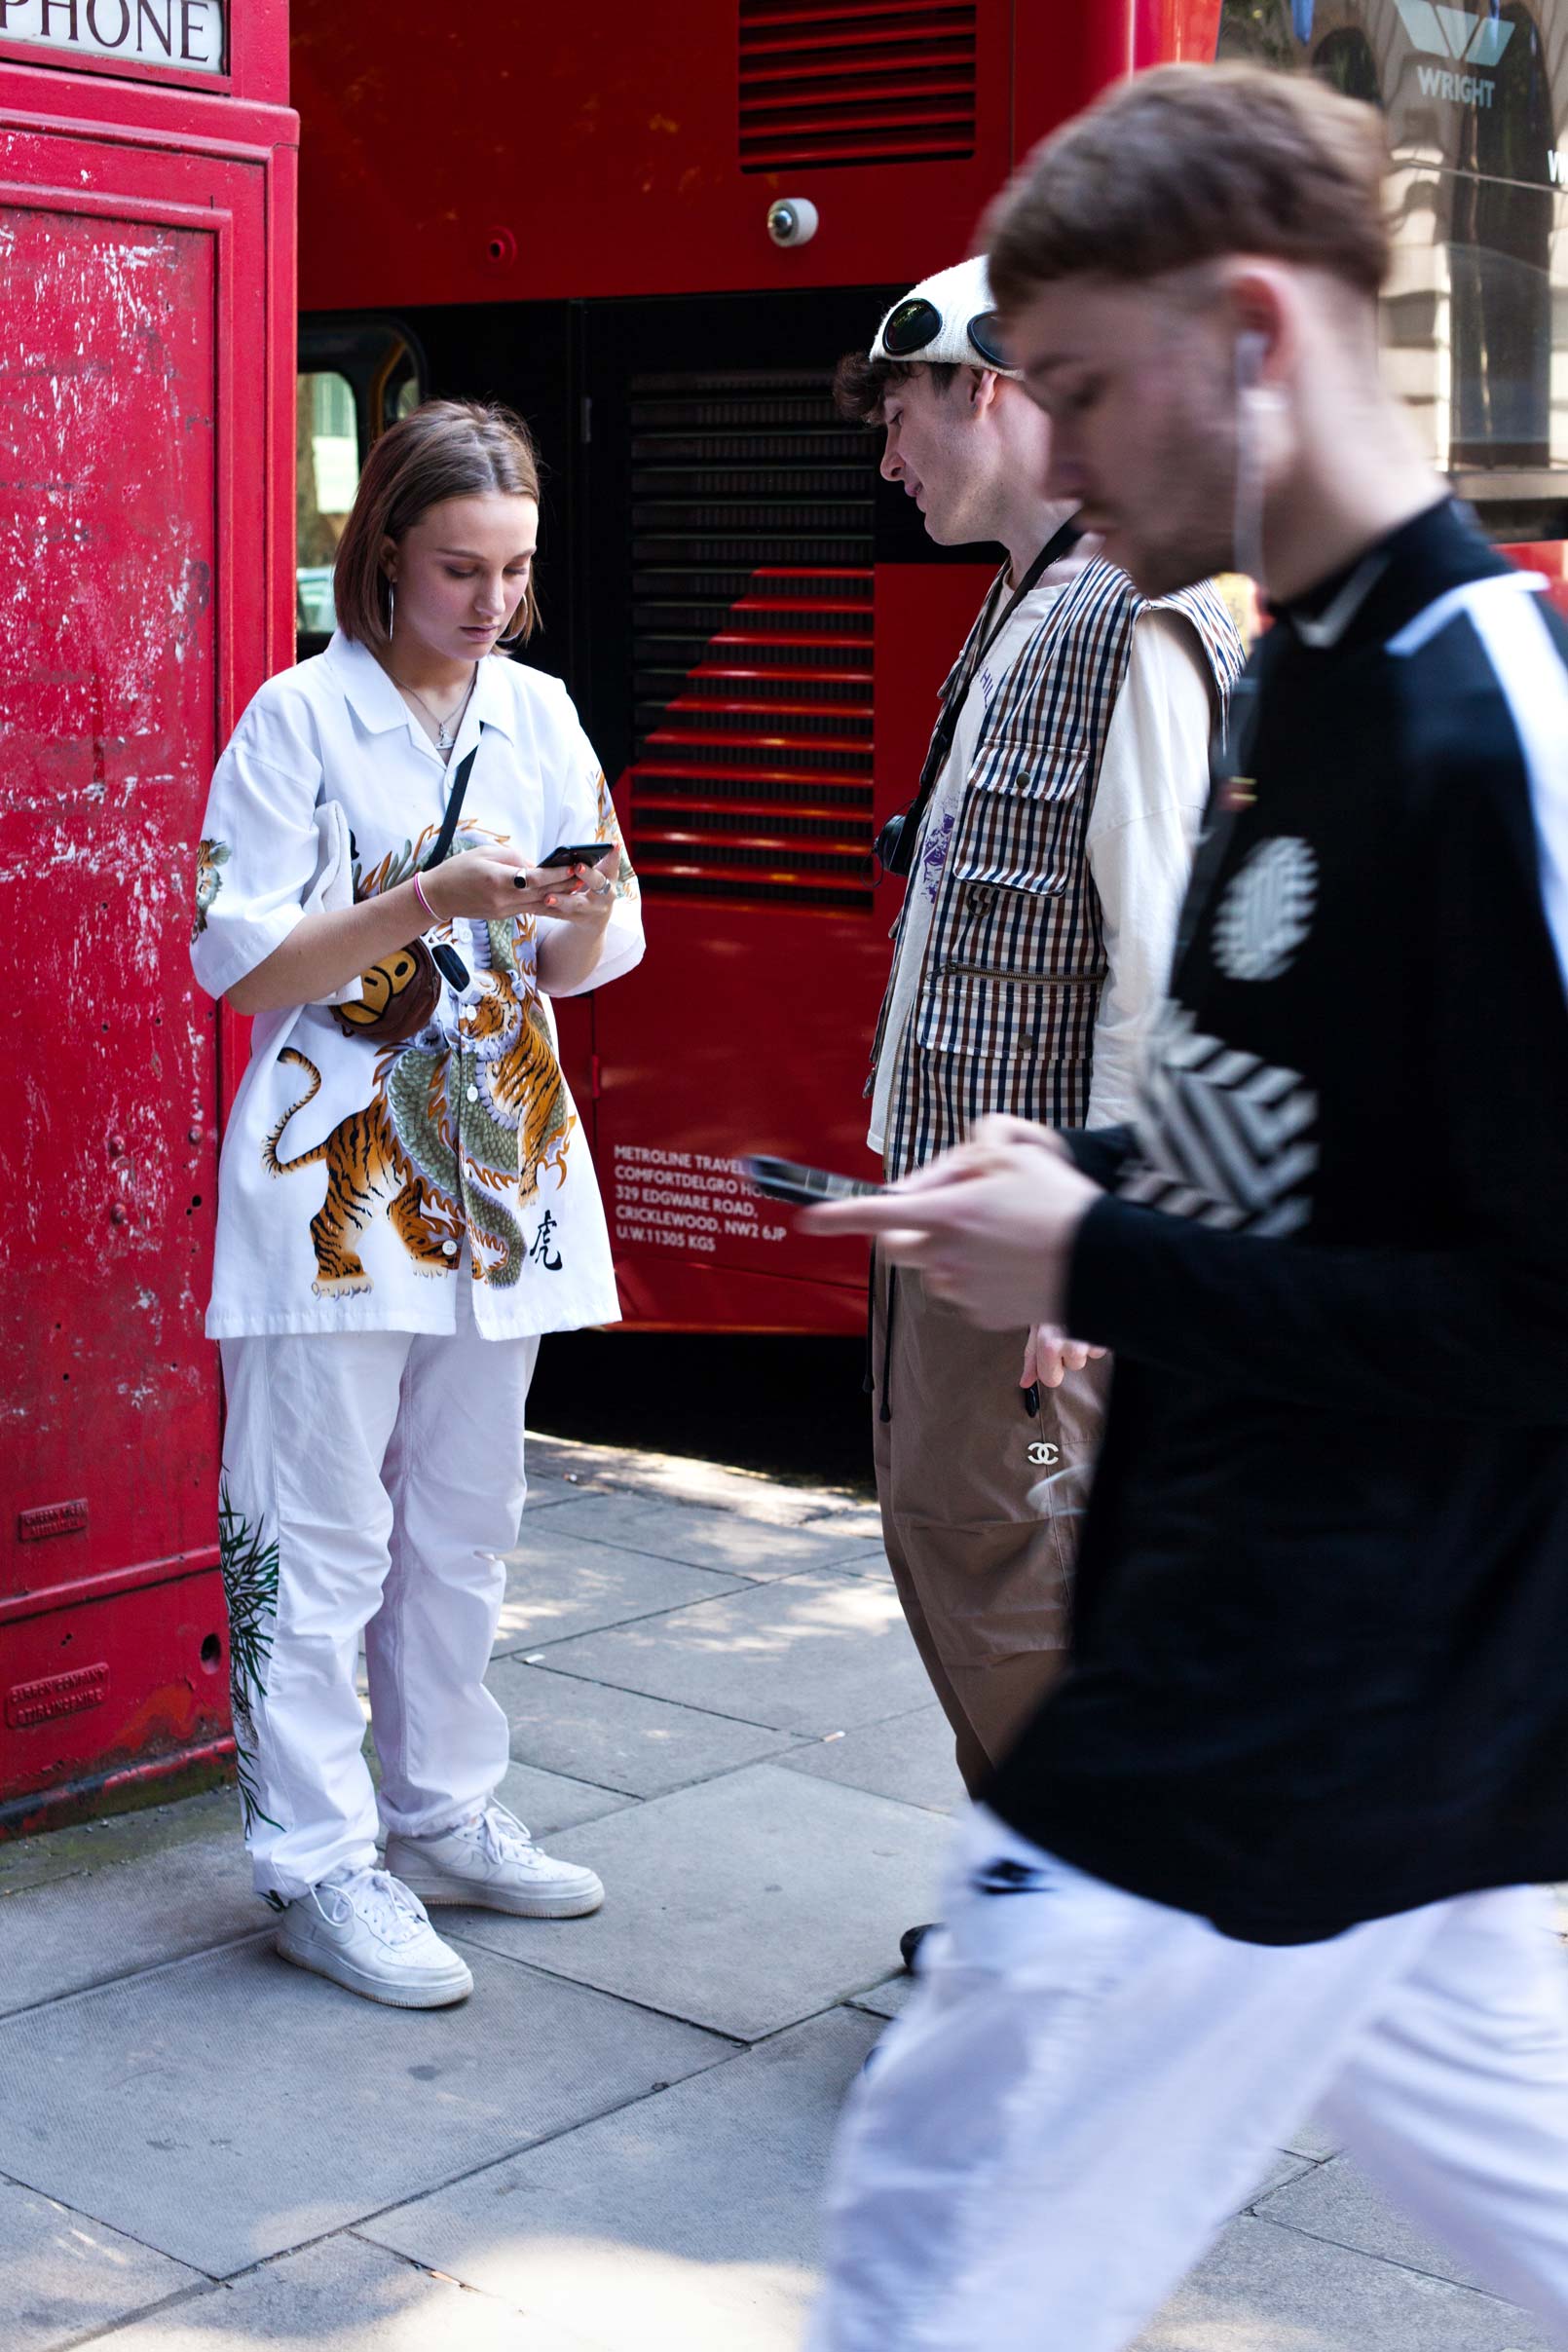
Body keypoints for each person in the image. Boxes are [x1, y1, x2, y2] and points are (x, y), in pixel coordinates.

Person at [802, 64, 1568, 2352]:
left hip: (1284, 1710)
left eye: (1075, 386)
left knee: (931, 2263)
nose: (1046, 442)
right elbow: (1325, 1150)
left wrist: (1098, 1260)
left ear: (1250, 333)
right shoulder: (1300, 669)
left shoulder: (1474, 720)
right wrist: (1093, 1170)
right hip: (1360, 1719)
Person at [191, 398, 644, 2009]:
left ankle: (442, 1810)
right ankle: (315, 1859)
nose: (491, 600)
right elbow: (244, 966)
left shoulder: (542, 711)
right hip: (335, 1185)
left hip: (502, 1180)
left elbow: (595, 955)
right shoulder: (296, 721)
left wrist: (572, 911)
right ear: (382, 553)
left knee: (463, 1528)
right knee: (314, 1539)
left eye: (515, 570)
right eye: (461, 567)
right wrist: (423, 902)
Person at [835, 257, 1241, 1963]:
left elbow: (1165, 964)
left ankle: (1108, 1920)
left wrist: (1103, 1245)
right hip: (962, 1206)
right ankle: (1040, 1882)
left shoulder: (1131, 612)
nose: (887, 459)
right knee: (963, 1542)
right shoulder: (1024, 602)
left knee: (1014, 1561)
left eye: (900, 414)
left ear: (990, 387)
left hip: (1036, 1235)